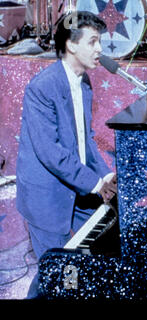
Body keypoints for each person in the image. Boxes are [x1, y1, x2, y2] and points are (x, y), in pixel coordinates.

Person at [16, 11, 117, 297]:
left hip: (75, 186)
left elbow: (85, 142)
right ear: (72, 45)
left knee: (97, 251)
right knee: (55, 272)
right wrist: (97, 184)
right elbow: (52, 153)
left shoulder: (84, 82)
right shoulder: (42, 87)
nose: (100, 49)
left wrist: (107, 174)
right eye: (93, 41)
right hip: (46, 196)